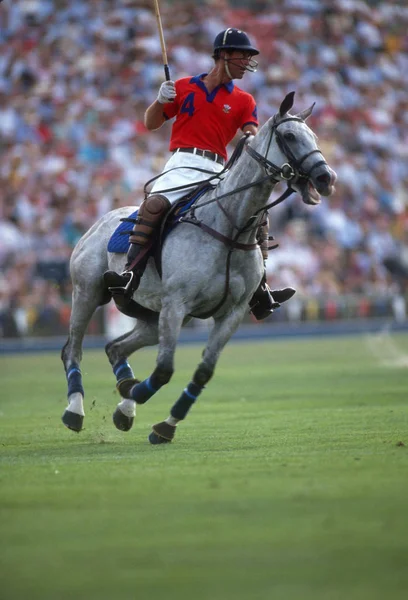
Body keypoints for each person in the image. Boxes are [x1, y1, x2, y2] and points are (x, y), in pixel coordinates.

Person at [104, 28, 295, 319]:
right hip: (182, 164)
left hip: (217, 167)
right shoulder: (182, 87)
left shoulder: (244, 100)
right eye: (242, 55)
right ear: (223, 55)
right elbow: (151, 122)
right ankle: (131, 275)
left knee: (258, 216)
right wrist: (160, 100)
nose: (247, 61)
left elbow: (251, 136)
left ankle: (261, 288)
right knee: (154, 205)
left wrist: (257, 142)